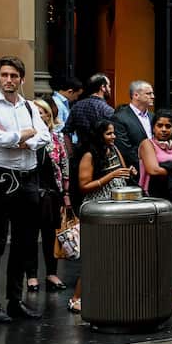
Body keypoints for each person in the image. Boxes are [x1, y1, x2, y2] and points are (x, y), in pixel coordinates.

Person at [0, 56, 50, 322]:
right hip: (2, 179)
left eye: (14, 76)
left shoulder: (30, 107)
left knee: (24, 242)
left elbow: (46, 136)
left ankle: (15, 300)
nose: (9, 80)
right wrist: (24, 135)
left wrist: (24, 140)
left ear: (21, 79)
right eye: (5, 75)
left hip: (29, 178)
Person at [70, 118, 137, 311]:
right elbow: (84, 186)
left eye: (113, 133)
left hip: (118, 206)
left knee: (116, 255)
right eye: (109, 133)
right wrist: (110, 176)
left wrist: (129, 172)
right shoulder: (89, 155)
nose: (113, 136)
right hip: (97, 209)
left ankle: (111, 294)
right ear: (99, 135)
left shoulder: (115, 149)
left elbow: (122, 172)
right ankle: (77, 298)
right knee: (95, 255)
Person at [137, 110, 172, 306]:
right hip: (153, 198)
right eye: (159, 125)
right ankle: (147, 287)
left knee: (167, 245)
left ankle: (164, 287)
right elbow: (153, 169)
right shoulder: (147, 144)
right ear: (153, 127)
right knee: (151, 245)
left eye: (167, 126)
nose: (163, 130)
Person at [28, 98, 69, 294]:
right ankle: (31, 276)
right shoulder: (27, 138)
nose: (39, 115)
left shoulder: (57, 139)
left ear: (49, 115)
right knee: (29, 236)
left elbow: (63, 166)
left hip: (52, 192)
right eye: (35, 112)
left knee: (49, 235)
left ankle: (51, 273)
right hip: (30, 191)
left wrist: (65, 195)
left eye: (42, 112)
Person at [110, 80, 155, 168]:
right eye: (148, 94)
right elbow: (124, 149)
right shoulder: (120, 118)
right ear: (136, 95)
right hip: (136, 168)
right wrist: (144, 165)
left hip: (156, 166)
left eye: (152, 93)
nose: (152, 96)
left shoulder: (153, 116)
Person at [64, 73, 113, 146]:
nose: (110, 89)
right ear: (103, 87)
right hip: (101, 152)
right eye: (109, 86)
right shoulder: (107, 110)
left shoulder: (77, 106)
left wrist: (70, 152)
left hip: (80, 152)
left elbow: (66, 131)